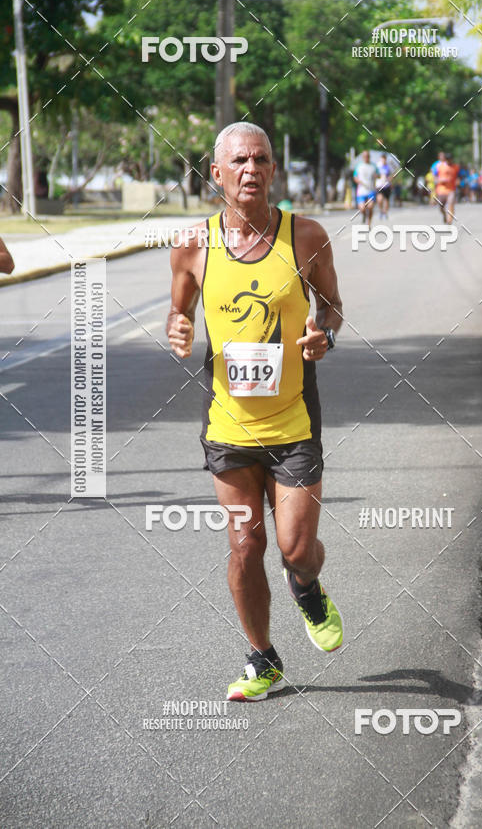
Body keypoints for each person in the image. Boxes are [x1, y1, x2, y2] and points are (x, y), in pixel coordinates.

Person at [167, 122, 343, 702]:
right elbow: (180, 310)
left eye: (261, 159)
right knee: (245, 545)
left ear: (273, 169)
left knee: (296, 550)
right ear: (216, 173)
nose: (251, 169)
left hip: (294, 423)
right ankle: (262, 658)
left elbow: (332, 307)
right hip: (228, 424)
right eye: (239, 161)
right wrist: (179, 327)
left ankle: (307, 587)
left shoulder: (306, 236)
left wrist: (323, 334)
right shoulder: (193, 245)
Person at [434, 152, 460, 224]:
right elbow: (435, 178)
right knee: (441, 207)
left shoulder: (456, 167)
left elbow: (459, 177)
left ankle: (449, 220)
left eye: (450, 159)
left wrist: (458, 181)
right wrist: (440, 180)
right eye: (447, 159)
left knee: (451, 203)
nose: (449, 161)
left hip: (451, 189)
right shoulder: (439, 166)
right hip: (441, 190)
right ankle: (444, 215)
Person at [353, 150, 377, 226]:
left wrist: (376, 176)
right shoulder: (359, 166)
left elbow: (378, 175)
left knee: (370, 207)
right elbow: (355, 177)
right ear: (363, 157)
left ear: (369, 157)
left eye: (367, 156)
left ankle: (369, 223)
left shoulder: (373, 166)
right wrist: (359, 182)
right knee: (362, 208)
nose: (366, 158)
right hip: (361, 190)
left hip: (371, 190)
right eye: (365, 156)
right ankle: (364, 215)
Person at [375, 153, 392, 219]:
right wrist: (380, 176)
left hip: (386, 185)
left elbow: (391, 175)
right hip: (379, 185)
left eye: (384, 159)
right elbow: (375, 175)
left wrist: (389, 178)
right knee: (379, 199)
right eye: (382, 159)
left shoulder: (388, 166)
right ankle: (381, 210)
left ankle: (385, 212)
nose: (383, 160)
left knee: (386, 200)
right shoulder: (377, 166)